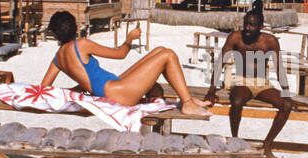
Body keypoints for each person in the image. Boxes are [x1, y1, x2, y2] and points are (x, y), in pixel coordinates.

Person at [39, 11, 209, 116]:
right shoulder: (81, 44)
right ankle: (187, 103)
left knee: (159, 50)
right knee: (168, 55)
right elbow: (120, 54)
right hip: (118, 94)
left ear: (55, 33)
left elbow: (44, 89)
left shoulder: (58, 58)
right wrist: (129, 39)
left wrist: (74, 91)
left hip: (113, 88)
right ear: (75, 28)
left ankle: (185, 96)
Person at [203, 1, 294, 158]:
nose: (247, 28)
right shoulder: (235, 37)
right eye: (245, 24)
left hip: (262, 83)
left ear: (260, 27)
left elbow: (279, 68)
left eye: (252, 25)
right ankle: (236, 141)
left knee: (287, 105)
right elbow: (220, 63)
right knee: (237, 101)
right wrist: (212, 89)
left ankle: (267, 144)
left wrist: (286, 92)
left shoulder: (270, 41)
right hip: (242, 81)